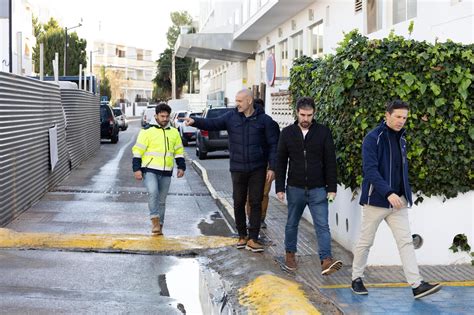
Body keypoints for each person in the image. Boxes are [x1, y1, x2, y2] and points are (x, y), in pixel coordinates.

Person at [351, 100, 441, 299]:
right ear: (387, 115)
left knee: (405, 243)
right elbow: (370, 171)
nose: (401, 121)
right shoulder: (372, 138)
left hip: (398, 202)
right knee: (366, 242)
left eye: (405, 118)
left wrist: (402, 194)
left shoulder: (402, 139)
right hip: (376, 200)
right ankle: (356, 278)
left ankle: (416, 285)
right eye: (398, 116)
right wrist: (388, 192)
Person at [185, 89, 280, 252]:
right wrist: (194, 121)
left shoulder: (265, 121)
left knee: (255, 202)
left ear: (249, 101)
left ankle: (253, 239)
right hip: (238, 168)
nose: (237, 104)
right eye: (236, 100)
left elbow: (273, 145)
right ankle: (242, 236)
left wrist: (272, 167)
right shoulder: (231, 117)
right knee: (238, 202)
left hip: (258, 168)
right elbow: (212, 123)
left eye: (240, 101)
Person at [275, 97, 342, 275]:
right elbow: (280, 161)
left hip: (318, 189)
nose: (306, 119)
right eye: (303, 115)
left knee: (322, 226)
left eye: (309, 115)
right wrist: (279, 188)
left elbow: (330, 162)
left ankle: (326, 260)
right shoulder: (287, 133)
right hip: (295, 188)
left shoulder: (323, 132)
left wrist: (332, 188)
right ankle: (290, 254)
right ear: (297, 113)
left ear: (314, 114)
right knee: (291, 224)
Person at [132, 103, 185, 235]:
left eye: (167, 116)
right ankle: (154, 219)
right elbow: (137, 151)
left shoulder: (174, 132)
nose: (165, 119)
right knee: (153, 192)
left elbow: (178, 151)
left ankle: (159, 226)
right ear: (156, 116)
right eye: (162, 116)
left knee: (162, 200)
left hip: (167, 171)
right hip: (149, 169)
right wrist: (136, 169)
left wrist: (181, 166)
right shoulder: (146, 131)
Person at [245, 98, 272, 229]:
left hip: (263, 164)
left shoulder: (267, 123)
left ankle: (257, 219)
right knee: (258, 193)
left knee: (260, 193)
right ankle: (255, 219)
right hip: (257, 164)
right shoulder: (250, 123)